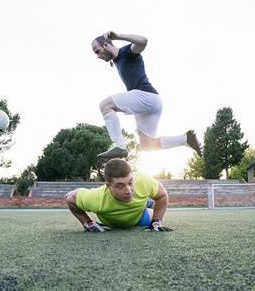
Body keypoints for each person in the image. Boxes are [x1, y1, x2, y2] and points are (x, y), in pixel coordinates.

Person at [92, 31, 203, 159]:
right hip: (152, 103)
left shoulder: (127, 52)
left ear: (106, 45)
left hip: (146, 96)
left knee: (105, 105)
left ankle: (119, 146)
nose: (98, 56)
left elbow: (143, 41)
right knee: (147, 145)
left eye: (97, 51)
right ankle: (186, 139)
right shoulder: (116, 60)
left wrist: (117, 36)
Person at [65, 158, 173, 232]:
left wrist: (156, 222)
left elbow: (162, 195)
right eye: (120, 186)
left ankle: (147, 202)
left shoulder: (142, 180)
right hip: (115, 221)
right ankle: (147, 202)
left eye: (130, 183)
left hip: (139, 215)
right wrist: (88, 223)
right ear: (108, 185)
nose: (128, 191)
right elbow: (70, 198)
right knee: (141, 198)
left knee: (149, 205)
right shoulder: (97, 198)